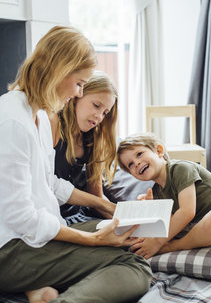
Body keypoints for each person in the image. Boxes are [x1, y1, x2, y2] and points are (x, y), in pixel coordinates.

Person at [0, 26, 152, 303]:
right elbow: (20, 218)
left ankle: (42, 288)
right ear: (59, 70)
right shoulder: (12, 122)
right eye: (80, 83)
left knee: (126, 245)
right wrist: (92, 240)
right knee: (135, 267)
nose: (78, 93)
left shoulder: (40, 118)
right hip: (11, 251)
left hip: (38, 235)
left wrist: (105, 212)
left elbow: (51, 185)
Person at [117, 132, 211, 260]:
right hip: (191, 228)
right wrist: (151, 208)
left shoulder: (181, 169)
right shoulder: (156, 191)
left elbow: (187, 211)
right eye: (130, 164)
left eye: (139, 154)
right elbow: (169, 220)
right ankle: (176, 242)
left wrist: (158, 242)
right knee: (146, 233)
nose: (136, 163)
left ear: (159, 151)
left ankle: (172, 247)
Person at [50, 70, 118, 224]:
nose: (99, 116)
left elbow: (97, 196)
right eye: (96, 106)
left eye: (105, 113)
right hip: (52, 216)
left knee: (128, 238)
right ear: (76, 97)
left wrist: (122, 220)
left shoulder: (93, 140)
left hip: (79, 214)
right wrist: (106, 206)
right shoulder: (53, 124)